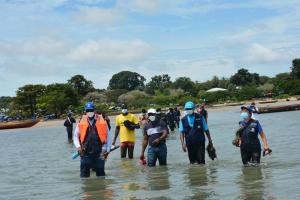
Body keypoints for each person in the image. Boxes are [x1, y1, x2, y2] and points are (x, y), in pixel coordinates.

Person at [73, 102, 111, 177]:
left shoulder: (103, 122)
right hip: (85, 153)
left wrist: (108, 150)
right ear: (85, 111)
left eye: (91, 110)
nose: (89, 112)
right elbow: (75, 136)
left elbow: (108, 137)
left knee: (101, 176)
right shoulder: (81, 122)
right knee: (84, 176)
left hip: (100, 153)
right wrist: (78, 146)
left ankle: (101, 189)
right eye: (87, 110)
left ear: (94, 110)